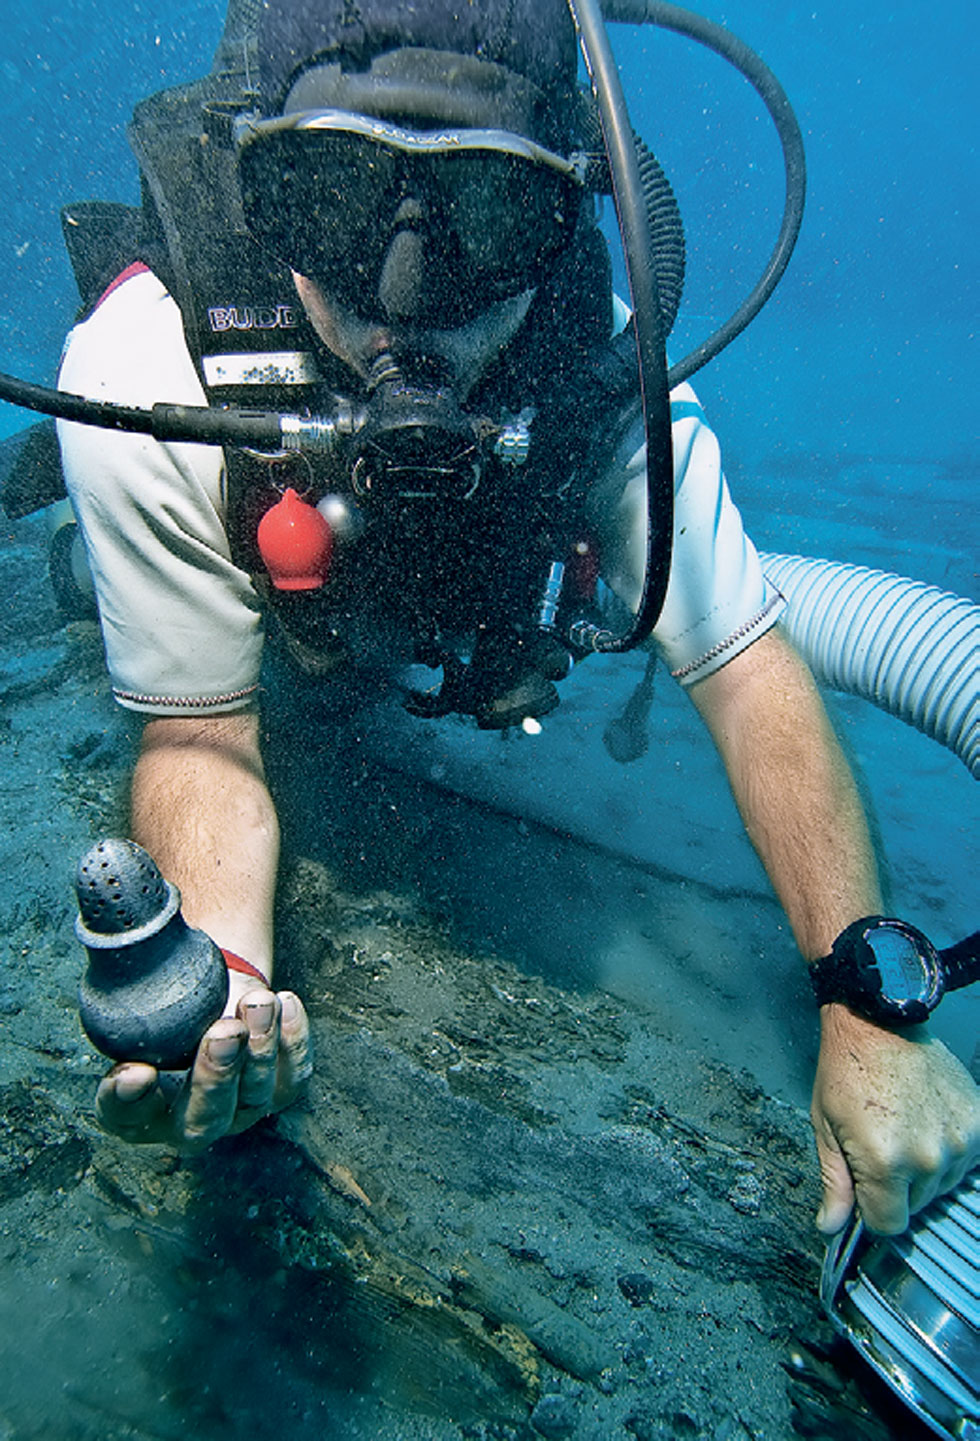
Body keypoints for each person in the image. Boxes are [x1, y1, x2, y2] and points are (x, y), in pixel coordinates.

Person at [56, 0, 977, 1236]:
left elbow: (747, 666)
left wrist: (868, 1005)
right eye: (332, 198)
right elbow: (203, 735)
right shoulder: (146, 371)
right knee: (109, 596)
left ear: (562, 219)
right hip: (278, 618)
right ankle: (76, 558)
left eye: (484, 214)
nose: (405, 299)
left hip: (432, 615)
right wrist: (228, 990)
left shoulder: (599, 376)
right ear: (259, 184)